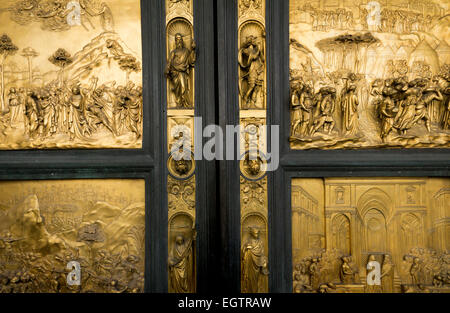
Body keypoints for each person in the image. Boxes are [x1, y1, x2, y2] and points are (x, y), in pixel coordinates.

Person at [165, 33, 196, 108]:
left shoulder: (186, 51)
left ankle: (185, 104)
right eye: (177, 39)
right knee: (177, 89)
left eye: (179, 39)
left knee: (183, 88)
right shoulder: (173, 52)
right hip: (175, 72)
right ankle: (179, 103)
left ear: (182, 40)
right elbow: (169, 62)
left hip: (182, 72)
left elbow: (191, 60)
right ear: (175, 41)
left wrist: (193, 50)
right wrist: (167, 69)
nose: (178, 41)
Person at [238, 35, 265, 109]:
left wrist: (260, 51)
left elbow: (263, 59)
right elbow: (253, 57)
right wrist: (258, 48)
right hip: (251, 70)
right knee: (252, 86)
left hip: (258, 70)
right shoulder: (246, 50)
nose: (255, 41)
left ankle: (253, 103)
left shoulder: (256, 50)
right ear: (250, 42)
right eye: (253, 40)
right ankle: (245, 98)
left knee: (257, 87)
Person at [241, 228, 269, 293]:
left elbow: (262, 253)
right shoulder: (249, 241)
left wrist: (264, 260)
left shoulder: (260, 242)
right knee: (249, 279)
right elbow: (243, 251)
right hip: (250, 264)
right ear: (252, 234)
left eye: (257, 233)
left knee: (257, 280)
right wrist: (246, 248)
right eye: (255, 233)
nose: (256, 235)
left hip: (258, 263)